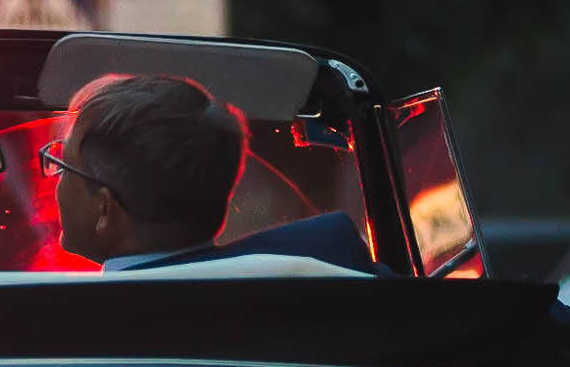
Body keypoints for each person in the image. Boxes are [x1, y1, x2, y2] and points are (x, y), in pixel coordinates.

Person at [42, 72, 378, 273]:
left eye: (62, 166)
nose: (55, 179)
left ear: (104, 210)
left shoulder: (67, 333)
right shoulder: (332, 269)